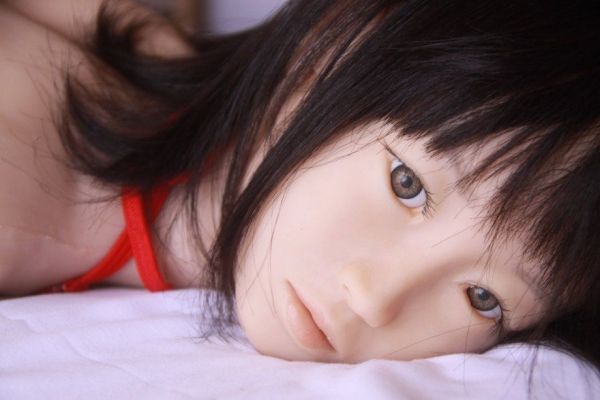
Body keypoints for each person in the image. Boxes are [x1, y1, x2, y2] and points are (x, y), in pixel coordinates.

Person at [0, 0, 598, 367]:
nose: (374, 299)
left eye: (484, 299)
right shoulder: (26, 188)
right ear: (331, 50)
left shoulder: (151, 49)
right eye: (406, 184)